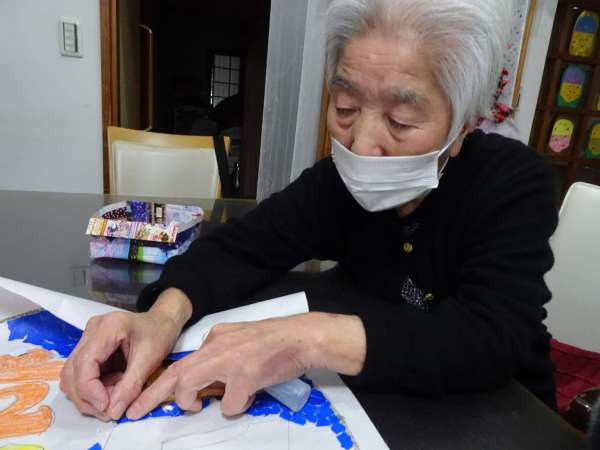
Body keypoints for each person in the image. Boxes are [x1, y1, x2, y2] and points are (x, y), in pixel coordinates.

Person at [60, 0, 559, 422]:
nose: (361, 143)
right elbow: (242, 247)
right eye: (345, 107)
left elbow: (493, 337)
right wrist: (161, 317)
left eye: (401, 120)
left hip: (495, 416)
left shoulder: (513, 183)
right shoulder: (336, 184)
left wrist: (305, 340)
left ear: (462, 126)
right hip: (379, 407)